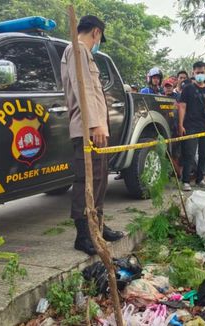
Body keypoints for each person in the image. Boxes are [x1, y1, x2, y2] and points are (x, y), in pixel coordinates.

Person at [61, 15, 123, 255]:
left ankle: (96, 225)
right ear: (96, 32)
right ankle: (83, 235)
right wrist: (96, 125)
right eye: (100, 38)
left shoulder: (83, 52)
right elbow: (83, 88)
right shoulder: (76, 50)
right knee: (86, 180)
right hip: (87, 128)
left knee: (99, 179)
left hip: (96, 128)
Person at [178, 62, 205, 191]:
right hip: (190, 126)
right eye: (197, 72)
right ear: (193, 73)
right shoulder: (188, 89)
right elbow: (182, 107)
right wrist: (180, 124)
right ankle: (185, 181)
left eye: (202, 72)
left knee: (203, 153)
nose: (200, 74)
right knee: (189, 153)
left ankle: (200, 179)